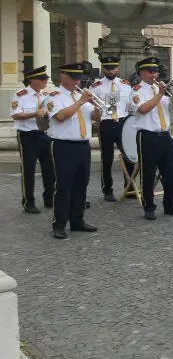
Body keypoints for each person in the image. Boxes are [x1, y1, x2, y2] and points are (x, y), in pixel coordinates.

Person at [45, 62, 100, 239]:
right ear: (63, 76)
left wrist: (98, 107)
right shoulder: (53, 96)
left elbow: (96, 118)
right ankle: (59, 224)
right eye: (74, 78)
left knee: (81, 184)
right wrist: (81, 101)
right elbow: (60, 117)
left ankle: (77, 220)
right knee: (63, 186)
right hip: (63, 146)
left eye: (79, 78)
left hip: (83, 145)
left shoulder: (80, 95)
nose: (78, 81)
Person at [130, 56, 173, 220]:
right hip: (147, 136)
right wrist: (160, 94)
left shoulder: (160, 88)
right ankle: (149, 206)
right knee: (148, 173)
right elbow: (143, 109)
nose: (153, 74)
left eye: (155, 71)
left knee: (170, 172)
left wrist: (172, 94)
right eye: (150, 71)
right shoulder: (137, 90)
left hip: (165, 135)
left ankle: (170, 205)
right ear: (141, 72)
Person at [90, 55, 134, 202]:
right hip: (106, 124)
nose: (111, 71)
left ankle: (130, 187)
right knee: (106, 158)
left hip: (122, 123)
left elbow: (131, 105)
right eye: (108, 69)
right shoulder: (96, 86)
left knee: (128, 156)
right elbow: (91, 107)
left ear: (118, 68)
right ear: (104, 69)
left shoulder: (125, 84)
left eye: (113, 68)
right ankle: (107, 189)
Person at [10, 66, 54, 213]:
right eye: (42, 79)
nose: (45, 82)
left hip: (46, 135)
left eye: (46, 79)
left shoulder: (47, 94)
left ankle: (49, 198)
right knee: (29, 169)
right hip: (28, 135)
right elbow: (15, 115)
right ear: (32, 80)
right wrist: (35, 114)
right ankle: (28, 201)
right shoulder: (20, 95)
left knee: (49, 169)